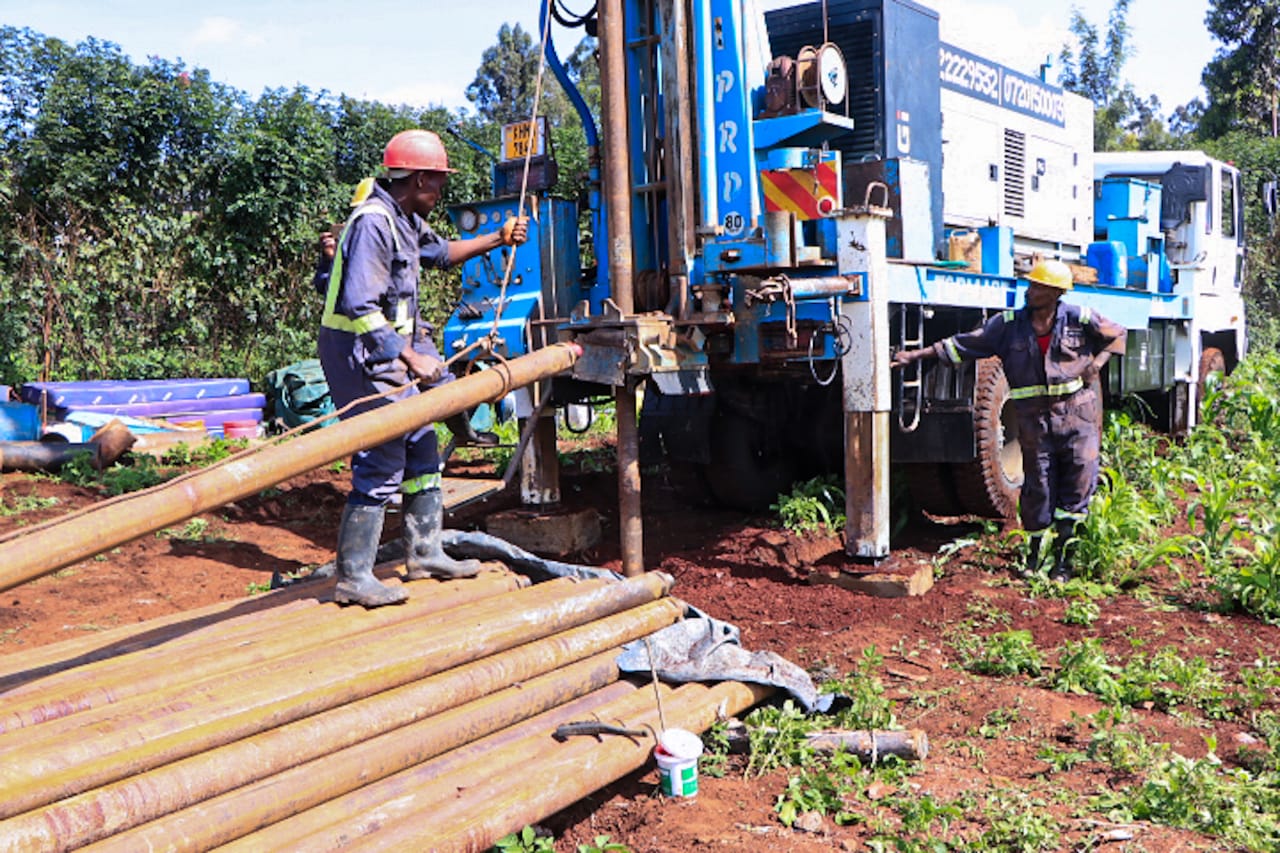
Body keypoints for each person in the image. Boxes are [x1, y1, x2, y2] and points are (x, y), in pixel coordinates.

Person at [318, 129, 528, 607]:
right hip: (360, 351)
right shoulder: (375, 222)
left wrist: (497, 238)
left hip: (389, 348)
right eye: (437, 184)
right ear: (416, 180)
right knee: (383, 451)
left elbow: (440, 254)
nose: (440, 193)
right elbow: (358, 304)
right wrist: (408, 354)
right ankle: (353, 576)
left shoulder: (405, 218)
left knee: (420, 444)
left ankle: (424, 551)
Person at [892, 258, 1126, 582]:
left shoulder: (1079, 318)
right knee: (1037, 488)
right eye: (1031, 285)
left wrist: (1096, 364)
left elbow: (1117, 335)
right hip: (1034, 421)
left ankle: (1064, 563)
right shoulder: (1008, 325)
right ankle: (1033, 560)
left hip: (1077, 417)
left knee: (1077, 487)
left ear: (1056, 293)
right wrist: (915, 355)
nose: (1031, 291)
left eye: (1039, 286)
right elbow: (964, 344)